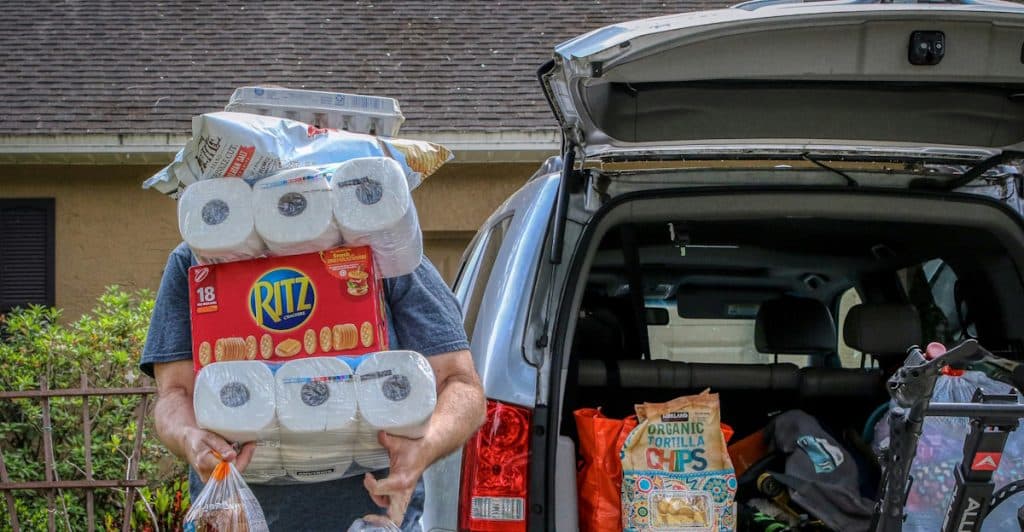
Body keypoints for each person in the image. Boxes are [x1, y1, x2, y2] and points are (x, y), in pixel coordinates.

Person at [140, 242, 486, 530]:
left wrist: (424, 446)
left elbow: (461, 384)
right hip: (239, 520)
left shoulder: (381, 241)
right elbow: (174, 394)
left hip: (372, 521)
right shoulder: (199, 256)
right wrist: (188, 437)